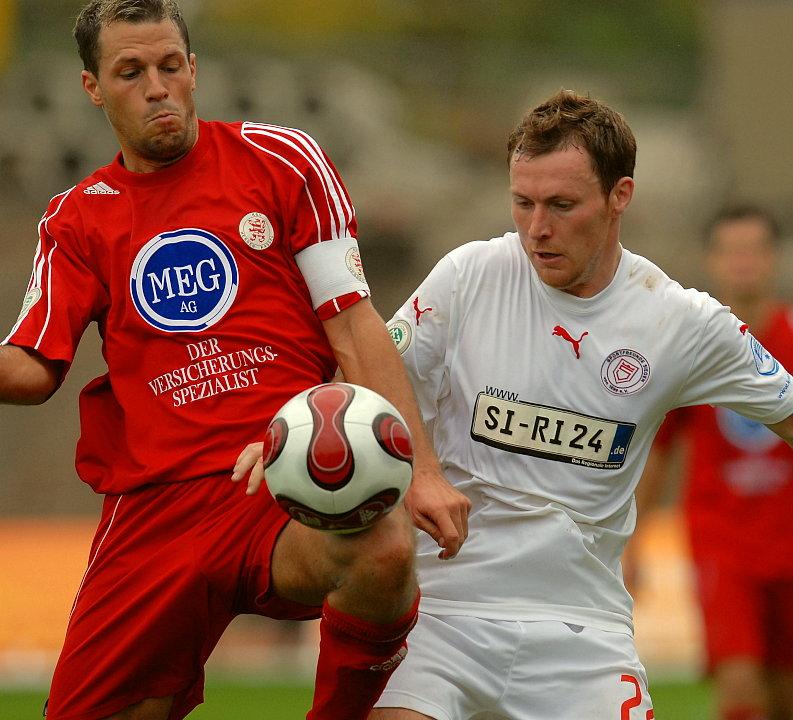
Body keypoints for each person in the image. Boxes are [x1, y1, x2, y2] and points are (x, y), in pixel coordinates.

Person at [0, 2, 469, 719]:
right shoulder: (77, 217)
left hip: (277, 475)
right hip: (155, 509)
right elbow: (33, 368)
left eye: (170, 66)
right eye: (130, 72)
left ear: (193, 69)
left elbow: (352, 323)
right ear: (92, 87)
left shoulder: (282, 160)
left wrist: (424, 473)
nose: (157, 87)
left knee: (382, 545)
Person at [358, 90, 793, 719]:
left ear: (620, 196)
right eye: (523, 203)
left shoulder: (682, 322)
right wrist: (421, 470)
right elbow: (367, 378)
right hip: (443, 614)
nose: (537, 228)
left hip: (583, 631)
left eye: (562, 205)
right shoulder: (468, 277)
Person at [632, 206, 793, 720]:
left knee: (784, 693)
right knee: (740, 684)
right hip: (722, 541)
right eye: (732, 251)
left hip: (787, 537)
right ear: (712, 260)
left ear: (773, 258)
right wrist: (634, 537)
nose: (744, 262)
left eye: (754, 250)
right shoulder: (693, 346)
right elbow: (658, 449)